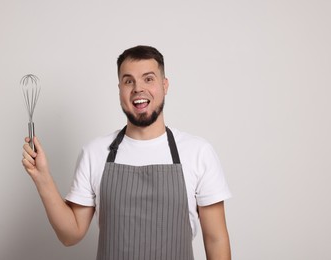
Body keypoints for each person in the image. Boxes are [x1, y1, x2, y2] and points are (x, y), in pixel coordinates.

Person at [22, 45, 232, 260]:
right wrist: (43, 178)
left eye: (148, 79)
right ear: (120, 88)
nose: (138, 88)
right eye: (128, 80)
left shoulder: (198, 152)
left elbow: (216, 240)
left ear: (164, 85)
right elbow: (70, 234)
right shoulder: (94, 152)